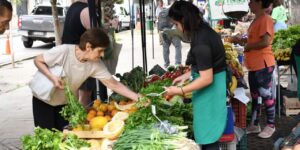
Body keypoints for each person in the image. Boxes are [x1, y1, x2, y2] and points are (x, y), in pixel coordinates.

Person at [33, 28, 140, 130]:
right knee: (46, 139)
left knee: (63, 138)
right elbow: (38, 60)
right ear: (88, 46)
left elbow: (113, 84)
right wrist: (52, 78)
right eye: (100, 50)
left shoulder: (95, 64)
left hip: (65, 105)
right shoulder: (64, 51)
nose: (102, 55)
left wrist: (137, 97)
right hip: (44, 101)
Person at [164, 1, 227, 149]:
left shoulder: (201, 41)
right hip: (212, 92)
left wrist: (178, 91)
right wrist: (187, 75)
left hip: (210, 94)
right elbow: (206, 64)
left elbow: (207, 78)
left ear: (184, 20)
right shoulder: (204, 30)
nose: (176, 28)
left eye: (176, 24)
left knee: (209, 139)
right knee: (209, 136)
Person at [62, 0, 109, 106]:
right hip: (83, 60)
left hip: (70, 58)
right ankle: (81, 121)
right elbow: (97, 37)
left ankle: (74, 120)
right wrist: (107, 29)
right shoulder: (86, 11)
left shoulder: (73, 8)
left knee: (74, 97)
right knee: (85, 98)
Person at [242, 0, 276, 139]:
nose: (249, 3)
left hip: (263, 64)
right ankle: (255, 124)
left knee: (266, 94)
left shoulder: (265, 19)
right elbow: (253, 40)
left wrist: (249, 47)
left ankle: (271, 125)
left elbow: (266, 41)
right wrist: (241, 41)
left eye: (251, 1)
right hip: (254, 65)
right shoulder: (256, 20)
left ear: (260, 2)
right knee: (255, 96)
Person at [158, 3, 182, 68]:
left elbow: (159, 26)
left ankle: (166, 64)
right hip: (173, 31)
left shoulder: (162, 12)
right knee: (178, 46)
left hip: (164, 31)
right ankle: (177, 63)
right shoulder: (176, 12)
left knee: (165, 48)